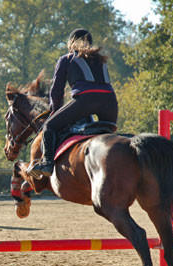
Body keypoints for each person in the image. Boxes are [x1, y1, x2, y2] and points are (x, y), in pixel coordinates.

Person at [27, 28, 118, 178]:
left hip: (86, 100)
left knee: (49, 126)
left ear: (71, 43)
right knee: (108, 137)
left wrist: (54, 112)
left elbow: (56, 92)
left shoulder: (66, 59)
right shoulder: (101, 59)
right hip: (110, 102)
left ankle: (47, 163)